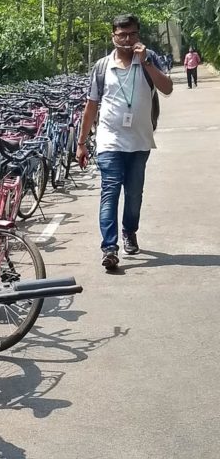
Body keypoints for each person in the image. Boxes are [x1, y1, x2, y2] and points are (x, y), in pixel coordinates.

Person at [76, 14, 173, 271]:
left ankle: (129, 231)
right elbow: (91, 106)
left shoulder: (148, 59)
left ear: (138, 35)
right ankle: (109, 248)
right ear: (113, 37)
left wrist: (148, 62)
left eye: (131, 34)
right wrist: (82, 142)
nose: (127, 40)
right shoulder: (102, 66)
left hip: (140, 141)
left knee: (133, 195)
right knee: (110, 192)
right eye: (122, 35)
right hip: (109, 140)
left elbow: (167, 88)